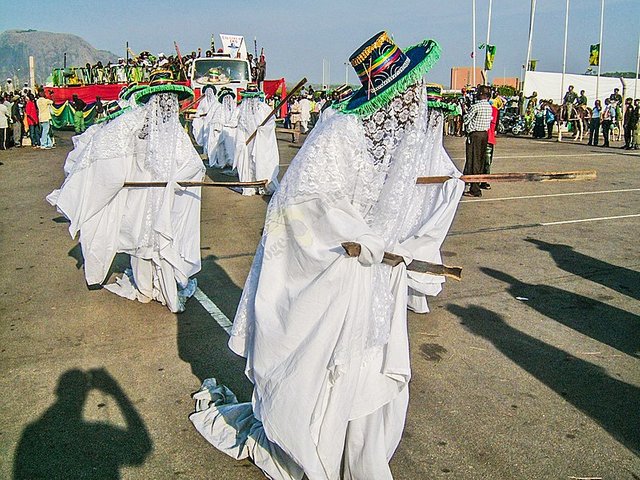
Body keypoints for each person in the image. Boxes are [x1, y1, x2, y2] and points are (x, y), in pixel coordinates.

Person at [190, 31, 463, 479]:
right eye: (410, 91)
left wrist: (446, 189)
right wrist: (356, 234)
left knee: (370, 376)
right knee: (329, 378)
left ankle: (361, 462)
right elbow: (300, 202)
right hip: (335, 282)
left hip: (377, 286)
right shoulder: (340, 131)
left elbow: (416, 189)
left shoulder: (400, 140)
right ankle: (320, 451)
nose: (418, 100)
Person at [47, 70, 205, 313]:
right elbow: (109, 157)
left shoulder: (174, 133)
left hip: (162, 198)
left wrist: (175, 182)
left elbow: (193, 165)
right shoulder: (133, 126)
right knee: (143, 242)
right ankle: (147, 288)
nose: (165, 105)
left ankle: (159, 287)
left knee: (156, 242)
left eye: (169, 100)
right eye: (162, 99)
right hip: (140, 196)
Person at [233, 83, 279, 195]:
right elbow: (238, 126)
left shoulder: (264, 109)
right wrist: (241, 143)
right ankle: (250, 185)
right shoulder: (241, 109)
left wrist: (262, 130)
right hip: (247, 142)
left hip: (261, 143)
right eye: (249, 97)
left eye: (253, 96)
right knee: (247, 163)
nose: (251, 99)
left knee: (260, 161)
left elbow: (271, 124)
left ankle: (262, 185)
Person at [463, 84, 492, 197]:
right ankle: (477, 182)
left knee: (473, 160)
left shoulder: (476, 106)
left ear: (480, 94)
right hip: (484, 134)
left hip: (475, 134)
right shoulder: (488, 107)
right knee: (480, 160)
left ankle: (474, 189)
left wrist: (465, 110)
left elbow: (466, 120)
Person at [482, 100, 499, 190]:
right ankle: (474, 180)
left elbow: (496, 126)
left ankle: (484, 180)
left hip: (489, 139)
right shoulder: (481, 107)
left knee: (487, 162)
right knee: (477, 161)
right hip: (482, 138)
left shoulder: (495, 110)